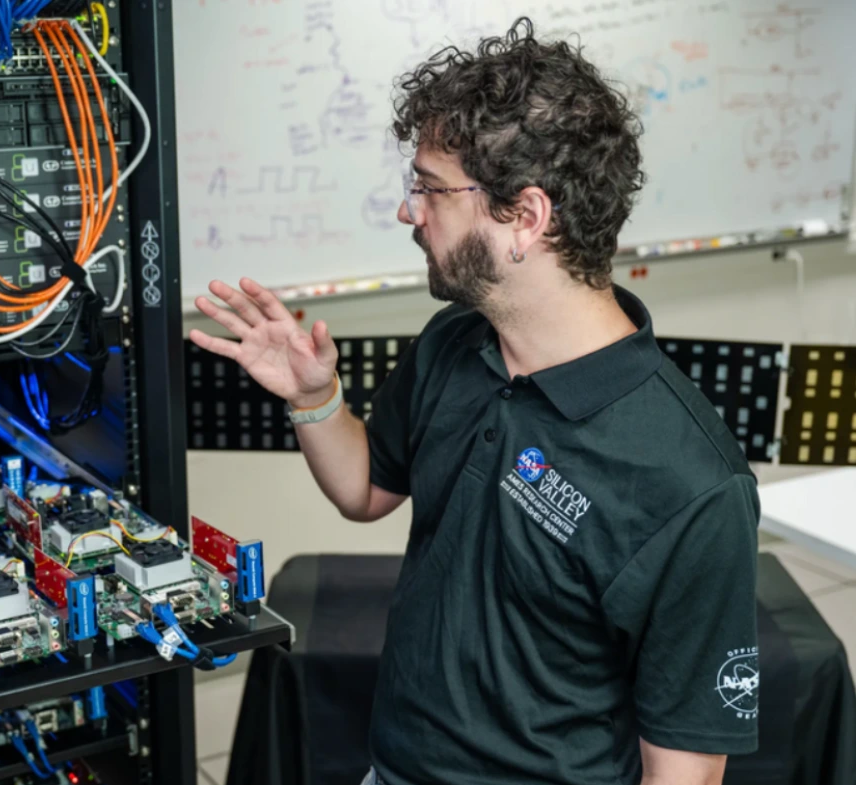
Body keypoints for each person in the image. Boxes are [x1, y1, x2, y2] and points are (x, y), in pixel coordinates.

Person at [190, 17, 760, 785]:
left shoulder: (692, 483)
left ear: (525, 218)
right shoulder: (457, 342)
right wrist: (316, 397)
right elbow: (365, 490)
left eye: (428, 187)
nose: (408, 210)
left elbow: (684, 774)